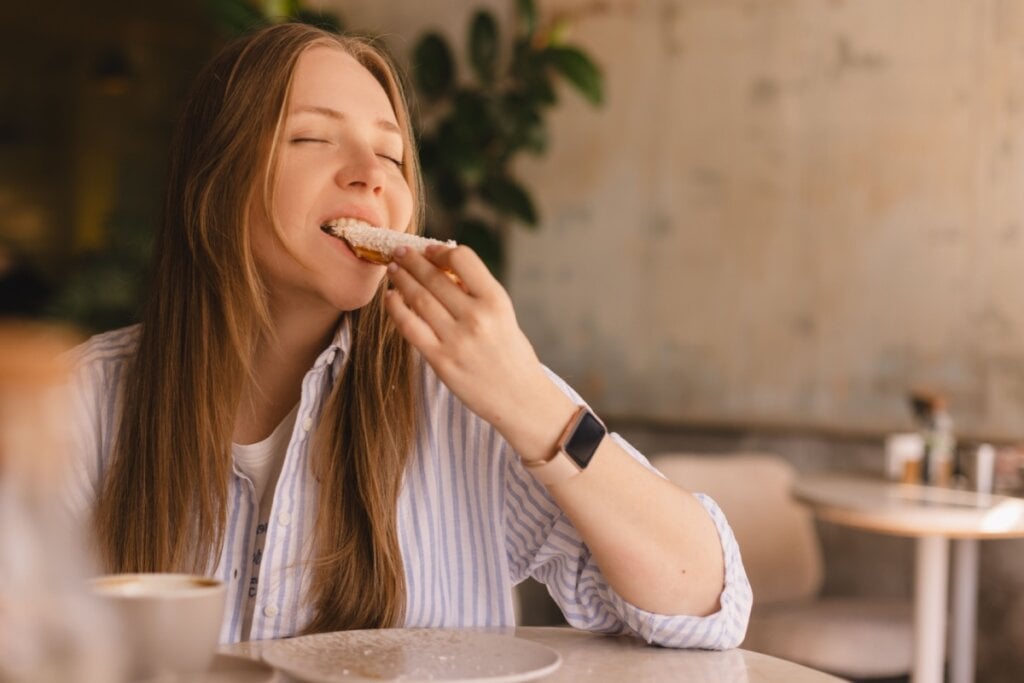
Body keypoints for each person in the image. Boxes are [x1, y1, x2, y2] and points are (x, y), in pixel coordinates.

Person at [64, 22, 751, 647]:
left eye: (392, 156)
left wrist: (530, 400)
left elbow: (706, 604)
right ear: (213, 182)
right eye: (312, 138)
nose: (371, 176)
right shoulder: (80, 402)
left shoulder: (470, 399)